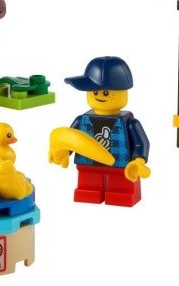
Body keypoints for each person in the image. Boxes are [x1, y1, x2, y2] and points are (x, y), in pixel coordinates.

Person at [49, 56, 151, 206]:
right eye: (95, 92)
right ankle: (88, 191)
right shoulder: (82, 120)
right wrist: (65, 152)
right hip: (87, 165)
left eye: (105, 93)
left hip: (120, 167)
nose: (99, 96)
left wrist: (139, 161)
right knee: (88, 184)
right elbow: (71, 139)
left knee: (120, 186)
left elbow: (140, 143)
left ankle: (121, 194)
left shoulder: (130, 123)